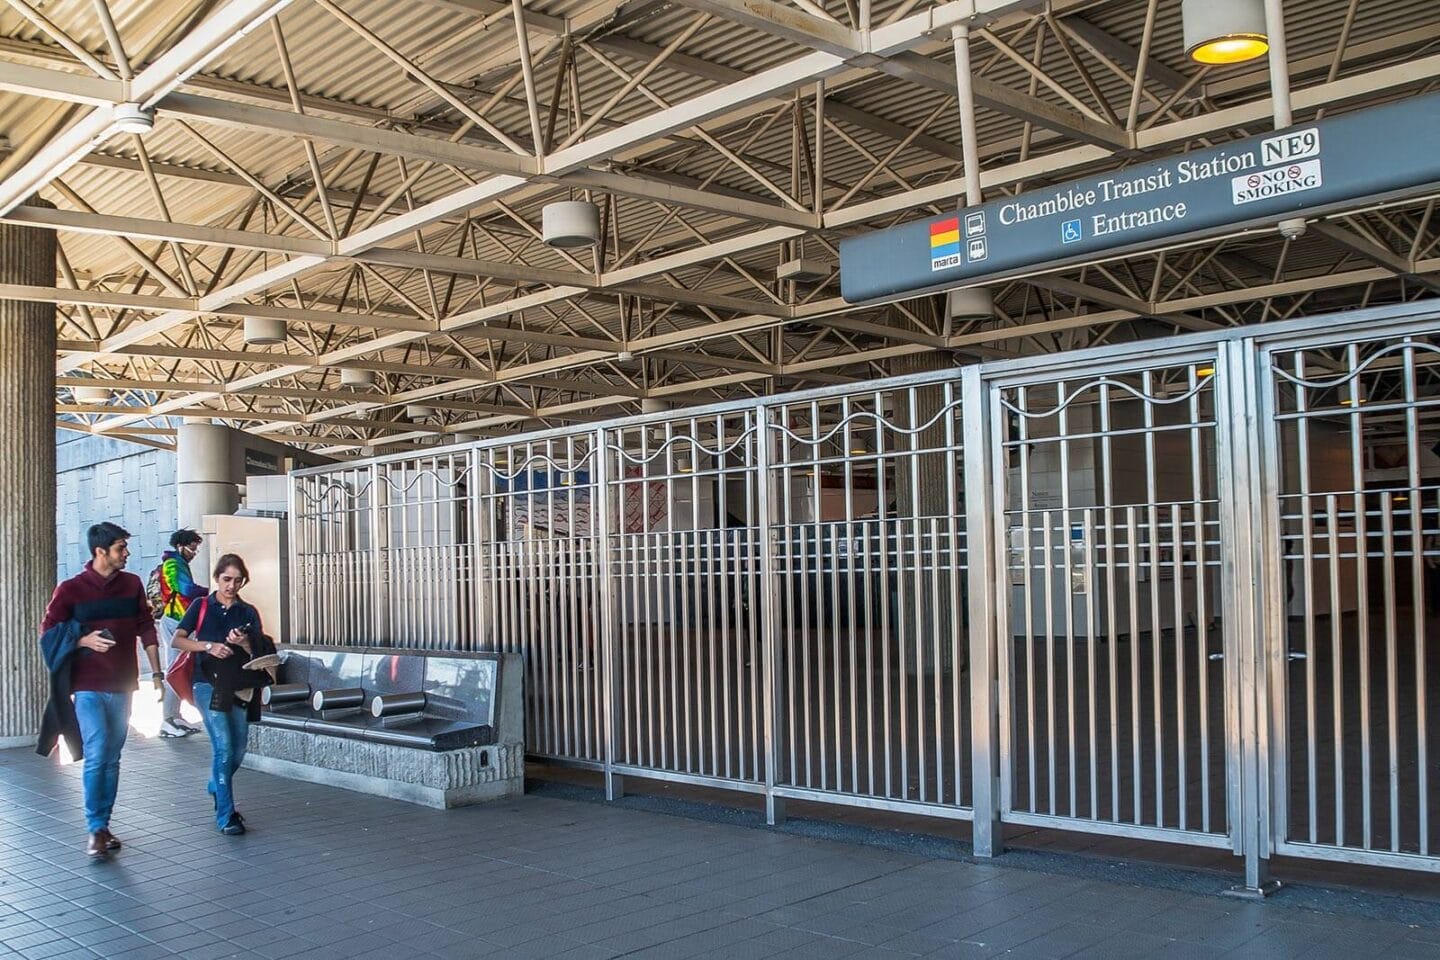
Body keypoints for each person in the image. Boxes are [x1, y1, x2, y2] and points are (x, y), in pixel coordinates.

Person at [39, 522, 162, 858]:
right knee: (97, 752)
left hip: (123, 683)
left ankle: (104, 824)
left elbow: (145, 626)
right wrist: (82, 640)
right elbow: (48, 633)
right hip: (88, 686)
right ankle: (95, 828)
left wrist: (157, 672)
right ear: (100, 551)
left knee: (112, 756)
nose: (127, 554)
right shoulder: (71, 589)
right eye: (121, 548)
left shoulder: (132, 584)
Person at [171, 554, 275, 836]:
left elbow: (262, 652)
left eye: (238, 580)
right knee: (224, 746)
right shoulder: (201, 605)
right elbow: (177, 639)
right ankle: (226, 815)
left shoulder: (248, 611)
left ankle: (216, 784)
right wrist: (208, 646)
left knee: (239, 749)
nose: (231, 585)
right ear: (217, 578)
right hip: (207, 684)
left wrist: (245, 642)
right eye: (227, 579)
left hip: (240, 684)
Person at [149, 529, 207, 737]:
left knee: (179, 668)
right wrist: (210, 593)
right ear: (181, 546)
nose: (194, 552)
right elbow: (186, 589)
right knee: (176, 670)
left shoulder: (177, 563)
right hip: (175, 621)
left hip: (178, 621)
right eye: (192, 547)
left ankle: (175, 716)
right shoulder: (173, 564)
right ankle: (168, 720)